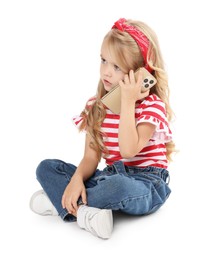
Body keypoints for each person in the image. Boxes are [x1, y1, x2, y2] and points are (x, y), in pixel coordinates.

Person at [30, 18, 175, 239]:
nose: (106, 72)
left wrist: (128, 101)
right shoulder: (95, 106)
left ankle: (59, 201)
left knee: (118, 186)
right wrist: (77, 179)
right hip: (108, 176)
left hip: (146, 184)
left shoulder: (152, 107)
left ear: (139, 74)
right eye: (103, 60)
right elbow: (90, 158)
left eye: (116, 67)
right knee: (46, 168)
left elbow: (128, 151)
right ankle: (85, 212)